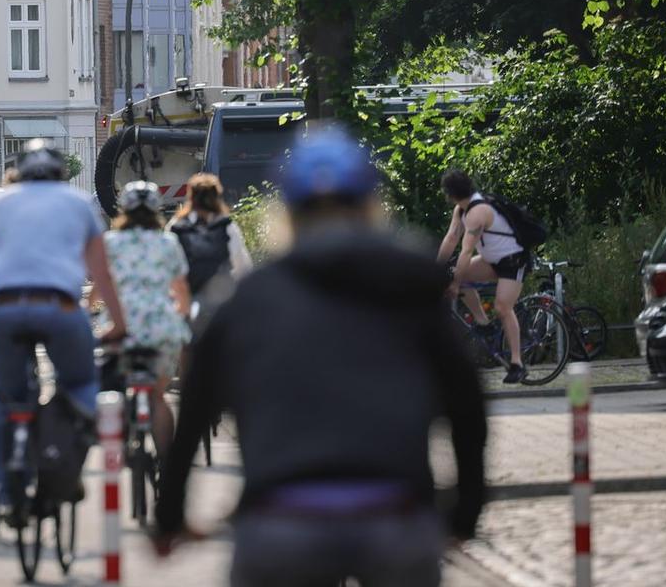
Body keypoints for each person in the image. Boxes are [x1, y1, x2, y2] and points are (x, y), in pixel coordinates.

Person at [152, 127, 487, 587]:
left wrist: (169, 517)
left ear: (287, 211)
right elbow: (467, 405)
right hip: (394, 516)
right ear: (371, 205)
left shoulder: (250, 299)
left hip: (282, 522)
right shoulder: (413, 287)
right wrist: (464, 513)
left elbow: (194, 409)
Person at [0, 140, 127, 510]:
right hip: (57, 306)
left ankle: (5, 491)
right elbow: (101, 273)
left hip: (3, 308)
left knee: (7, 397)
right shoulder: (77, 203)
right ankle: (66, 468)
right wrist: (120, 323)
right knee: (80, 382)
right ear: (62, 172)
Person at [96, 180, 191, 452]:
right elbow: (180, 286)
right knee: (158, 398)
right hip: (161, 325)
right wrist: (182, 314)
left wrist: (92, 303)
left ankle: (119, 440)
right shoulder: (168, 241)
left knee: (114, 382)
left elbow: (101, 284)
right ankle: (166, 463)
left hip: (121, 324)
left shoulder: (110, 241)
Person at [435, 169, 527, 384]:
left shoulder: (478, 212)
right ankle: (483, 322)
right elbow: (451, 239)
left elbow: (466, 251)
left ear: (450, 194)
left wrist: (456, 285)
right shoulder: (461, 209)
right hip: (492, 260)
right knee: (455, 273)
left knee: (503, 307)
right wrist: (437, 269)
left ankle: (517, 364)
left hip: (513, 261)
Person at [168, 172, 253, 301]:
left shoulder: (176, 226)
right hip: (220, 299)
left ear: (190, 197)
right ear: (217, 196)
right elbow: (243, 267)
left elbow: (167, 265)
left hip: (187, 299)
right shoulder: (226, 226)